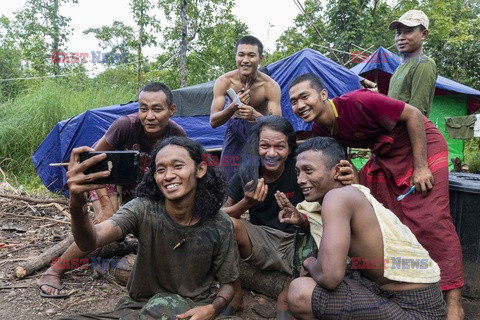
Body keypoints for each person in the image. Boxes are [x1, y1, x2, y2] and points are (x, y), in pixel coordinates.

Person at [289, 73, 464, 319]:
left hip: (420, 143)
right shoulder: (319, 129)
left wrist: (421, 166)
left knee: (431, 219)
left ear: (324, 95)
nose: (299, 105)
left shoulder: (358, 101)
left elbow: (413, 114)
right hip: (383, 154)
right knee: (388, 218)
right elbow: (337, 163)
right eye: (294, 101)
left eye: (304, 96)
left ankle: (454, 302)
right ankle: (388, 287)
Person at [59, 136, 238, 319]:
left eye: (178, 166)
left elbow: (228, 284)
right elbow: (91, 240)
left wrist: (212, 309)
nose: (168, 176)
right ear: (154, 176)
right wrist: (77, 202)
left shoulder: (219, 224)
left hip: (192, 311)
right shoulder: (143, 209)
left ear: (200, 170)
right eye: (161, 170)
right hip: (140, 308)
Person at [38, 82, 186, 298]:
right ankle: (54, 271)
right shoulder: (124, 126)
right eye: (143, 109)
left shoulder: (177, 134)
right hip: (108, 181)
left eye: (157, 109)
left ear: (171, 110)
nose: (149, 116)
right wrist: (107, 205)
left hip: (143, 187)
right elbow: (91, 162)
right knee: (108, 221)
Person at [278, 136, 446, 319]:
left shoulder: (337, 198)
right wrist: (303, 223)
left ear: (337, 170)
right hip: (408, 299)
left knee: (299, 292)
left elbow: (330, 277)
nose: (301, 180)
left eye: (308, 170)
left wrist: (309, 262)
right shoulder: (352, 195)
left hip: (415, 310)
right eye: (297, 172)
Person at [221, 116, 354, 319]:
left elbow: (329, 216)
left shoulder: (300, 170)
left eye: (280, 147)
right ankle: (235, 294)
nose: (271, 153)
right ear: (256, 146)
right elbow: (219, 216)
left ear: (290, 148)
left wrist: (301, 219)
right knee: (228, 224)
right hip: (262, 242)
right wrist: (246, 204)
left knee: (327, 239)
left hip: (299, 243)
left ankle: (288, 293)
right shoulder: (247, 173)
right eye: (264, 146)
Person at [210, 35, 282, 181]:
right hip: (234, 129)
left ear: (261, 58)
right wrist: (232, 108)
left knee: (262, 175)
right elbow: (213, 121)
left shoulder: (270, 86)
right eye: (241, 55)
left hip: (260, 132)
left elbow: (279, 126)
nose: (245, 60)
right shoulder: (224, 81)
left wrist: (255, 115)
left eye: (251, 55)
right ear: (236, 57)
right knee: (228, 177)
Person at [388, 9, 437, 117]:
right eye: (398, 33)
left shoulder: (424, 63)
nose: (401, 37)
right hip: (392, 132)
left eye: (408, 31)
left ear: (423, 34)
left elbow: (416, 114)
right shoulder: (401, 67)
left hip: (405, 133)